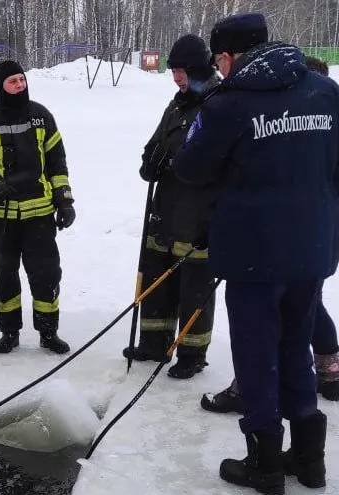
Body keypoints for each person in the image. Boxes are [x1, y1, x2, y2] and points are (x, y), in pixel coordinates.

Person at [173, 13, 339, 495]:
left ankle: (264, 463)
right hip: (312, 249)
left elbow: (190, 168)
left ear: (229, 56)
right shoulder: (327, 93)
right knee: (295, 346)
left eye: (219, 58)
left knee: (257, 355)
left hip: (253, 251)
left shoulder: (229, 104)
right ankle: (308, 459)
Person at [200, 54, 339, 413]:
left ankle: (259, 394)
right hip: (317, 229)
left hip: (287, 235)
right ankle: (326, 373)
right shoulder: (324, 114)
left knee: (274, 318)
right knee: (306, 305)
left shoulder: (295, 117)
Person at [0, 60, 76, 355]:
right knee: (4, 275)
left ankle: (48, 332)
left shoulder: (41, 116)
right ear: (1, 85)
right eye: (12, 82)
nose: (19, 86)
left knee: (46, 274)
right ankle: (9, 331)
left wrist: (64, 199)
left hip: (39, 215)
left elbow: (57, 162)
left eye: (22, 80)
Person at [126, 33, 221, 379]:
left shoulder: (217, 103)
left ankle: (192, 352)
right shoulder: (177, 103)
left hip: (198, 212)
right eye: (173, 71)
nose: (176, 77)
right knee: (156, 278)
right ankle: (154, 341)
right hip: (165, 208)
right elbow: (156, 142)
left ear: (197, 68)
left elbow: (214, 162)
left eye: (181, 70)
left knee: (194, 286)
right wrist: (149, 161)